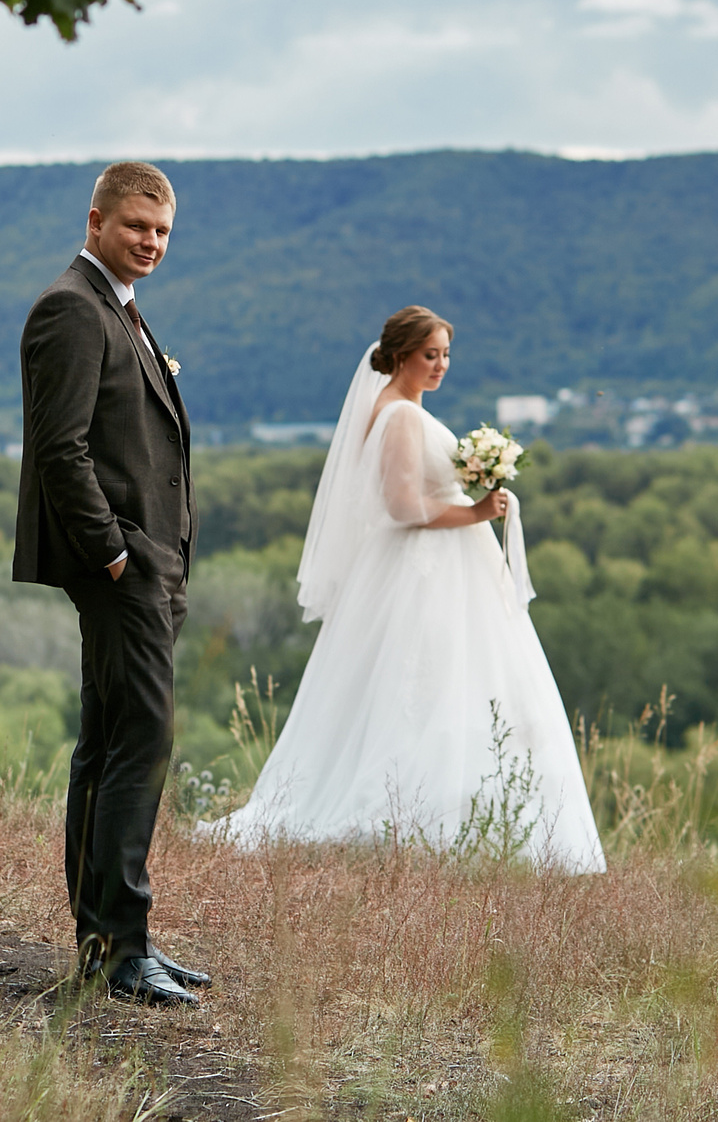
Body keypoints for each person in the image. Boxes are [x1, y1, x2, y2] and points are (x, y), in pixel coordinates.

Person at [205, 307, 607, 870]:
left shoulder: (402, 409)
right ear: (399, 356)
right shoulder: (399, 417)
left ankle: (467, 815)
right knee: (429, 684)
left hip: (439, 565)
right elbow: (400, 507)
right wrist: (477, 513)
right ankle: (420, 813)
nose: (440, 365)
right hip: (422, 568)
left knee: (450, 684)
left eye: (445, 355)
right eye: (429, 355)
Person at [13, 161, 211, 1006]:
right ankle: (121, 950)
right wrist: (115, 555)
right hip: (121, 566)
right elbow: (61, 448)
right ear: (95, 219)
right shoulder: (70, 307)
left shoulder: (120, 309)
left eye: (162, 231)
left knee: (108, 744)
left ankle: (107, 941)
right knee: (142, 740)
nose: (151, 242)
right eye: (137, 226)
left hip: (148, 564)